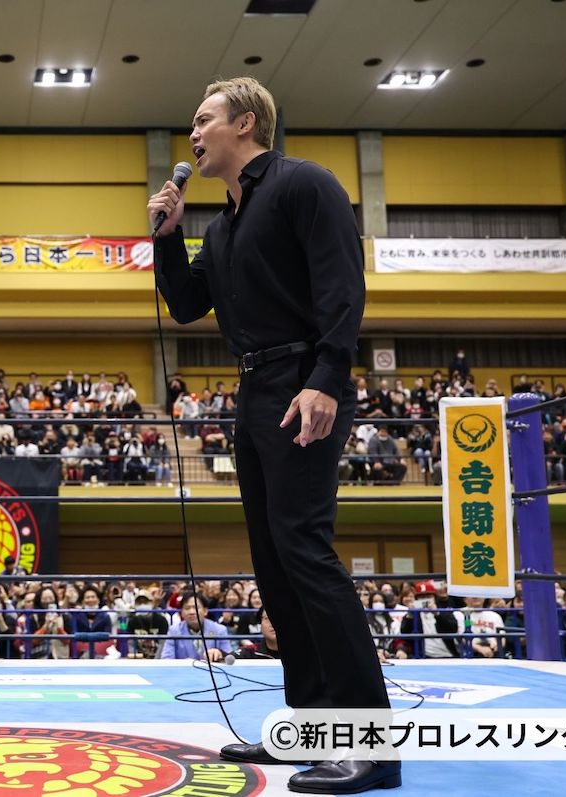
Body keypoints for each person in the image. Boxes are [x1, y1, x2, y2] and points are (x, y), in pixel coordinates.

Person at [149, 76, 398, 793]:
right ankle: (313, 728)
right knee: (275, 564)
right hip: (253, 389)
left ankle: (372, 745)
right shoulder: (222, 227)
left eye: (204, 119)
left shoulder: (304, 184)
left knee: (305, 551)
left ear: (245, 123)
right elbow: (188, 305)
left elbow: (342, 286)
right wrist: (168, 237)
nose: (193, 134)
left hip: (303, 378)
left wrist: (327, 377)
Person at [160, 593, 232, 662]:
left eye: (196, 607)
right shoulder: (174, 631)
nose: (192, 612)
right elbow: (166, 659)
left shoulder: (220, 630)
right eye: (187, 608)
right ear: (181, 613)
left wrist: (220, 653)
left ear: (205, 611)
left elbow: (229, 657)